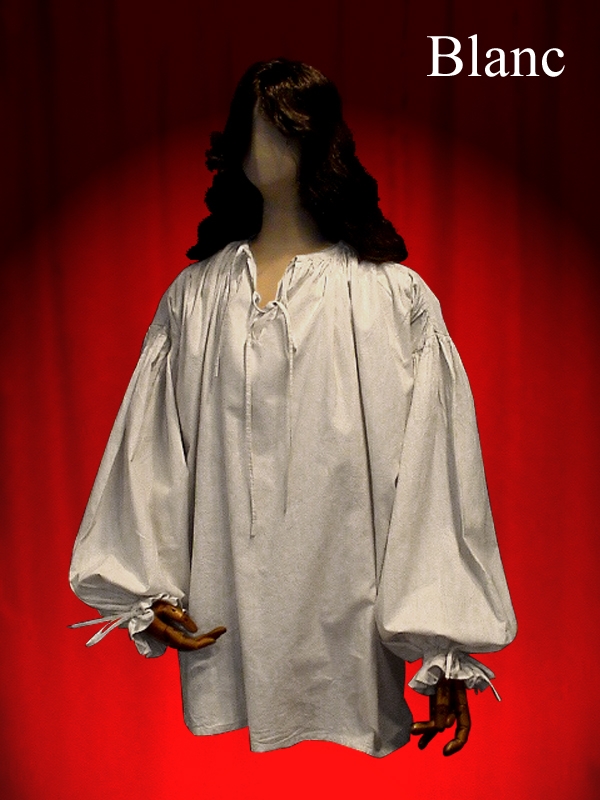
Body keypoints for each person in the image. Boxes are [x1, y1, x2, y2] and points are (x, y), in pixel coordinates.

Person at [69, 58, 517, 758]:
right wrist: (141, 585)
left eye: (289, 129)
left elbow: (435, 478)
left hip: (351, 633)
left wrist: (444, 645)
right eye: (260, 129)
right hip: (226, 625)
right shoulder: (196, 298)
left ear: (323, 140)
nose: (273, 147)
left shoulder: (390, 297)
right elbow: (151, 453)